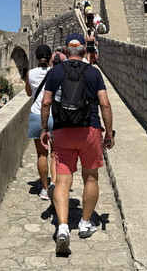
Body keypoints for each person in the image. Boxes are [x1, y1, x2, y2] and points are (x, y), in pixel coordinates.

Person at [40, 33, 115, 255]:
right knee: (90, 177)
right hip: (89, 128)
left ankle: (62, 228)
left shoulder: (55, 72)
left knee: (63, 181)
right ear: (84, 50)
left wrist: (45, 129)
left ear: (65, 49)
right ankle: (84, 223)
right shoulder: (94, 72)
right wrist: (108, 132)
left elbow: (46, 102)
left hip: (63, 130)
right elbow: (105, 104)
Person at [25, 44, 56, 200]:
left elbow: (29, 92)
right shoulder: (56, 72)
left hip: (37, 116)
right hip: (54, 116)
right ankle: (55, 186)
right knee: (55, 154)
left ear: (36, 57)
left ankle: (44, 189)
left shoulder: (30, 73)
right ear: (50, 57)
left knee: (41, 155)